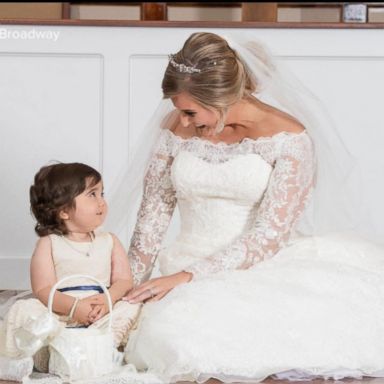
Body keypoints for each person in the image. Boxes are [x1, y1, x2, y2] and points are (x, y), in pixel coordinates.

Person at [119, 32, 384, 383]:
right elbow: (152, 217)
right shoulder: (176, 129)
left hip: (257, 266)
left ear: (220, 98)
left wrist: (188, 277)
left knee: (191, 340)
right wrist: (126, 289)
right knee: (162, 335)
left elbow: (268, 238)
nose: (181, 122)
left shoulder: (289, 139)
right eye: (176, 110)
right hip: (180, 260)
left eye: (189, 112)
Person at [0, 162, 140, 379]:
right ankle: (53, 349)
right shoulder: (50, 243)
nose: (101, 202)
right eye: (92, 195)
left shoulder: (109, 240)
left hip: (101, 310)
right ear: (64, 210)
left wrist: (106, 300)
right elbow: (43, 289)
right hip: (61, 312)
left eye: (102, 193)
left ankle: (106, 348)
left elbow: (123, 280)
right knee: (24, 310)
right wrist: (74, 308)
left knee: (133, 306)